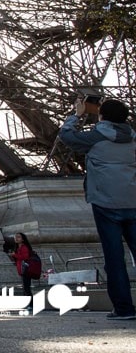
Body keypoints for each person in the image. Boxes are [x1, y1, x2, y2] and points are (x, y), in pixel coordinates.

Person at [59, 97, 136, 320]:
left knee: (114, 259)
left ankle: (124, 309)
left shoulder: (95, 137)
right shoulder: (132, 138)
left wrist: (78, 114)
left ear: (101, 116)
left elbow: (67, 136)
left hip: (105, 202)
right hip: (132, 200)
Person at [8, 233, 36, 298]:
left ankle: (31, 304)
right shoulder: (18, 248)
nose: (16, 238)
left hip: (26, 269)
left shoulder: (24, 247)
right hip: (22, 270)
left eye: (18, 237)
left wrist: (14, 255)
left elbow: (25, 257)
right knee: (25, 288)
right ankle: (28, 304)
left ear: (23, 239)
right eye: (15, 237)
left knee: (26, 288)